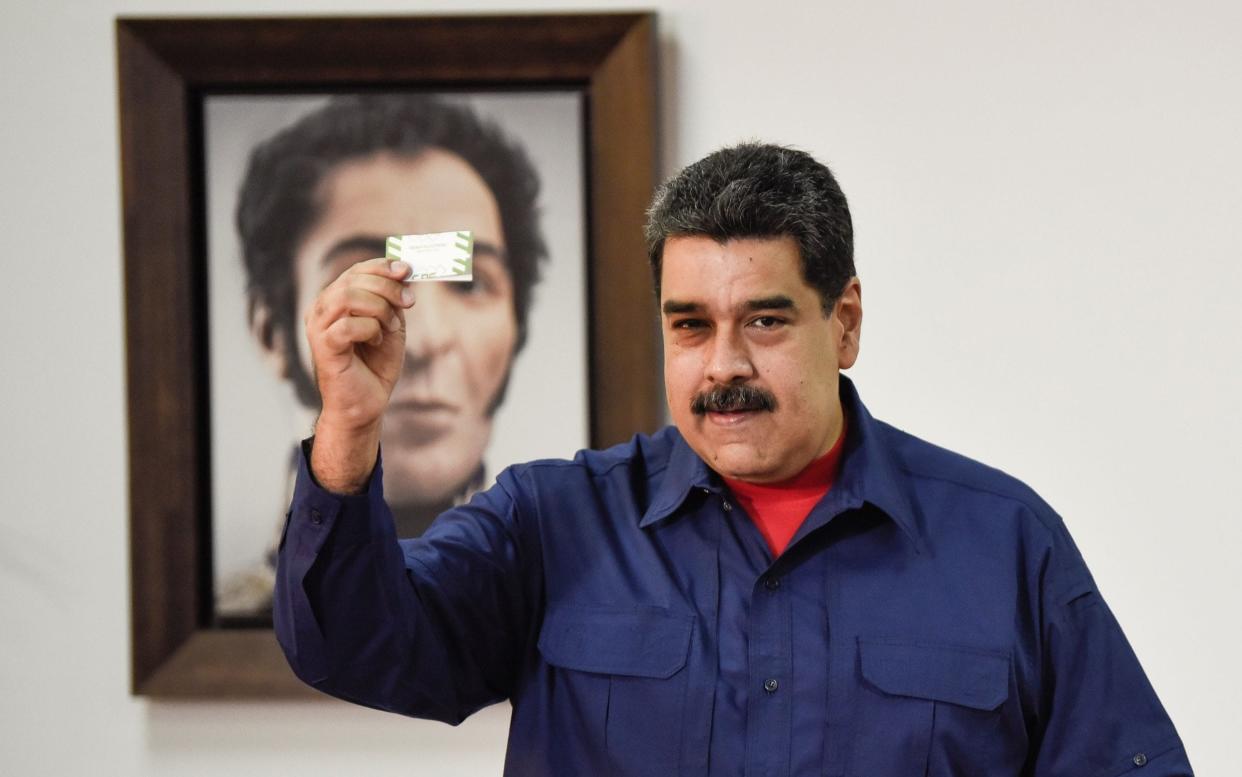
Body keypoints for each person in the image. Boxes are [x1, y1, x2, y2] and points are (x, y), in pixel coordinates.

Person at [274, 143, 1193, 775]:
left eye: (764, 319)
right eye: (690, 325)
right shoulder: (549, 524)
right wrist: (349, 429)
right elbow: (351, 648)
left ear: (845, 323)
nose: (723, 365)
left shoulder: (1005, 542)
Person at [217, 94, 548, 618]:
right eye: (360, 281)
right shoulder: (237, 612)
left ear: (518, 324)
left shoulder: (565, 602)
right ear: (271, 333)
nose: (426, 338)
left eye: (470, 283)